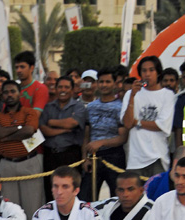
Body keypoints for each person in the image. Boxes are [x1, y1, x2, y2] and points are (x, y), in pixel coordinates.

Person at [0, 80, 45, 220]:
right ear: (2, 95)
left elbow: (29, 131)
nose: (9, 95)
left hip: (29, 163)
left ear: (20, 93)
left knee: (33, 209)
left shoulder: (29, 112)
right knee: (10, 212)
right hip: (7, 165)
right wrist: (19, 128)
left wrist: (6, 136)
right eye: (6, 92)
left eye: (13, 91)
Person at [121, 56, 175, 177]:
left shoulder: (167, 95)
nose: (147, 74)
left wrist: (138, 122)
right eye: (144, 71)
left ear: (158, 72)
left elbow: (162, 125)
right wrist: (132, 97)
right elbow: (128, 123)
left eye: (151, 70)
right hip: (135, 159)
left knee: (157, 194)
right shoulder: (131, 94)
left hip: (158, 156)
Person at [80, 67, 127, 201]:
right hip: (94, 156)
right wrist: (85, 158)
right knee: (86, 198)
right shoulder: (91, 106)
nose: (104, 85)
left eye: (107, 82)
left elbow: (122, 137)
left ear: (114, 83)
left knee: (117, 198)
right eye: (101, 82)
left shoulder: (120, 106)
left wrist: (101, 143)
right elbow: (86, 135)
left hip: (114, 155)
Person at [40, 76, 86, 201]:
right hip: (50, 156)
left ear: (72, 90)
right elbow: (44, 130)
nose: (63, 90)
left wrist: (52, 122)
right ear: (55, 88)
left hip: (70, 155)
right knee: (51, 192)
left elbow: (72, 123)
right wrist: (64, 130)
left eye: (66, 87)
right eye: (60, 87)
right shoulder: (48, 107)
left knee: (70, 191)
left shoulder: (79, 107)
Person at [14, 50, 49, 118]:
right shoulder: (13, 89)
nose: (18, 70)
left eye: (22, 67)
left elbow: (35, 115)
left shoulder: (40, 88)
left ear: (32, 68)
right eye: (16, 67)